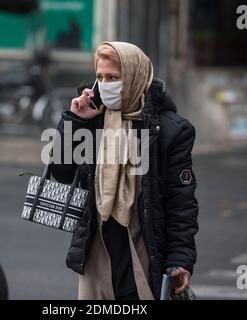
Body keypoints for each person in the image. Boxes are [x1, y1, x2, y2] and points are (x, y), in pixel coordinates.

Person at [50, 41, 199, 300]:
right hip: (97, 251)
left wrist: (180, 259)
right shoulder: (92, 119)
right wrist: (74, 120)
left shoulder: (171, 131)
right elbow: (61, 173)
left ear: (134, 77)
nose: (105, 84)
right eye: (100, 77)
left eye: (113, 77)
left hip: (142, 252)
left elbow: (181, 203)